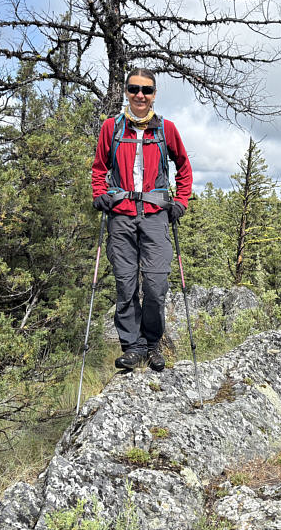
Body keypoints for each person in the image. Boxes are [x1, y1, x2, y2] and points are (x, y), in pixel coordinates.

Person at [91, 68, 193, 372]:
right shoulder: (112, 128)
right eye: (134, 89)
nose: (140, 95)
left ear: (154, 94)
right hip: (120, 216)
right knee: (125, 284)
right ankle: (133, 348)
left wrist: (181, 202)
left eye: (146, 90)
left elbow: (184, 167)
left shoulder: (166, 129)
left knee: (155, 285)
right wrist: (100, 194)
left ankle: (152, 344)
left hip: (155, 216)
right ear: (126, 91)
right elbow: (99, 168)